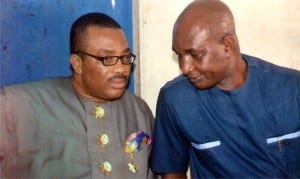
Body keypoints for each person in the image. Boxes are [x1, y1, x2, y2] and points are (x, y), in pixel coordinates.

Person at [150, 0, 300, 178]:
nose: (185, 67)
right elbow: (172, 172)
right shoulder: (176, 100)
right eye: (179, 56)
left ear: (227, 46)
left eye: (195, 55)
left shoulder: (292, 89)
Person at [0, 12, 156, 178]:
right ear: (77, 63)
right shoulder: (16, 106)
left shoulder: (138, 111)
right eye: (107, 58)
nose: (120, 68)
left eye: (125, 57)